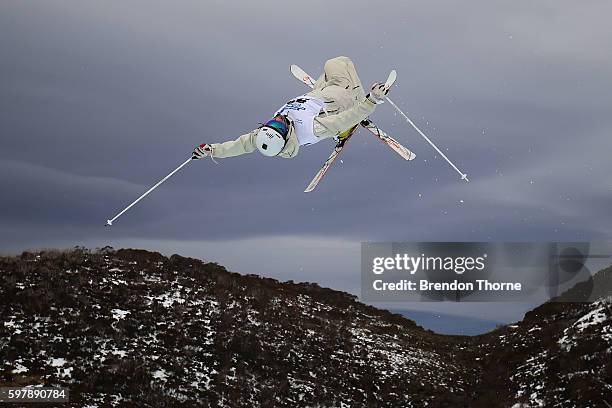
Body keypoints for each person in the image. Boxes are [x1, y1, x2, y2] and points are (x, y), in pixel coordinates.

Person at [192, 56, 391, 160]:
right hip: (343, 97)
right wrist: (371, 100)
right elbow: (344, 119)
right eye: (279, 128)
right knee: (338, 62)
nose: (277, 121)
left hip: (319, 93)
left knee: (326, 73)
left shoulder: (268, 133)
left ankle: (329, 91)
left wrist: (213, 150)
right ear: (286, 137)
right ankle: (353, 100)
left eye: (270, 124)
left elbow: (241, 145)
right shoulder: (311, 130)